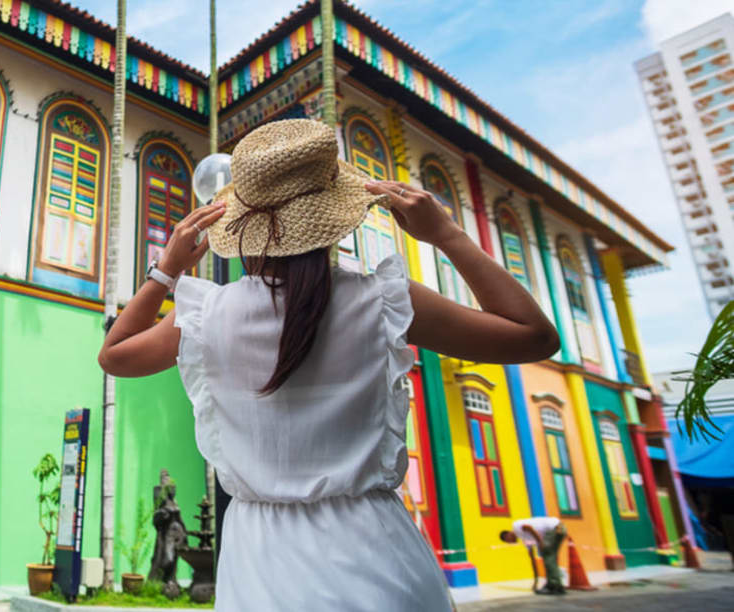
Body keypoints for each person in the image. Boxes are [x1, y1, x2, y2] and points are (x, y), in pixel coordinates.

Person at [98, 119, 560, 611]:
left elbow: (115, 355)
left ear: (241, 226)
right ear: (333, 221)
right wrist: (446, 234)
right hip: (374, 549)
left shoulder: (206, 316)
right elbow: (534, 336)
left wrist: (166, 270)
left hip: (259, 561)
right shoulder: (386, 301)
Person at [500, 517, 567, 595]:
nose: (511, 542)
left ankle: (553, 585)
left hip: (555, 528)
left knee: (548, 557)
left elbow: (529, 527)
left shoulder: (516, 527)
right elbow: (531, 557)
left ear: (507, 535)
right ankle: (557, 586)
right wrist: (535, 582)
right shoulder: (524, 538)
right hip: (559, 528)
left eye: (509, 540)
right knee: (550, 558)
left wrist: (540, 542)